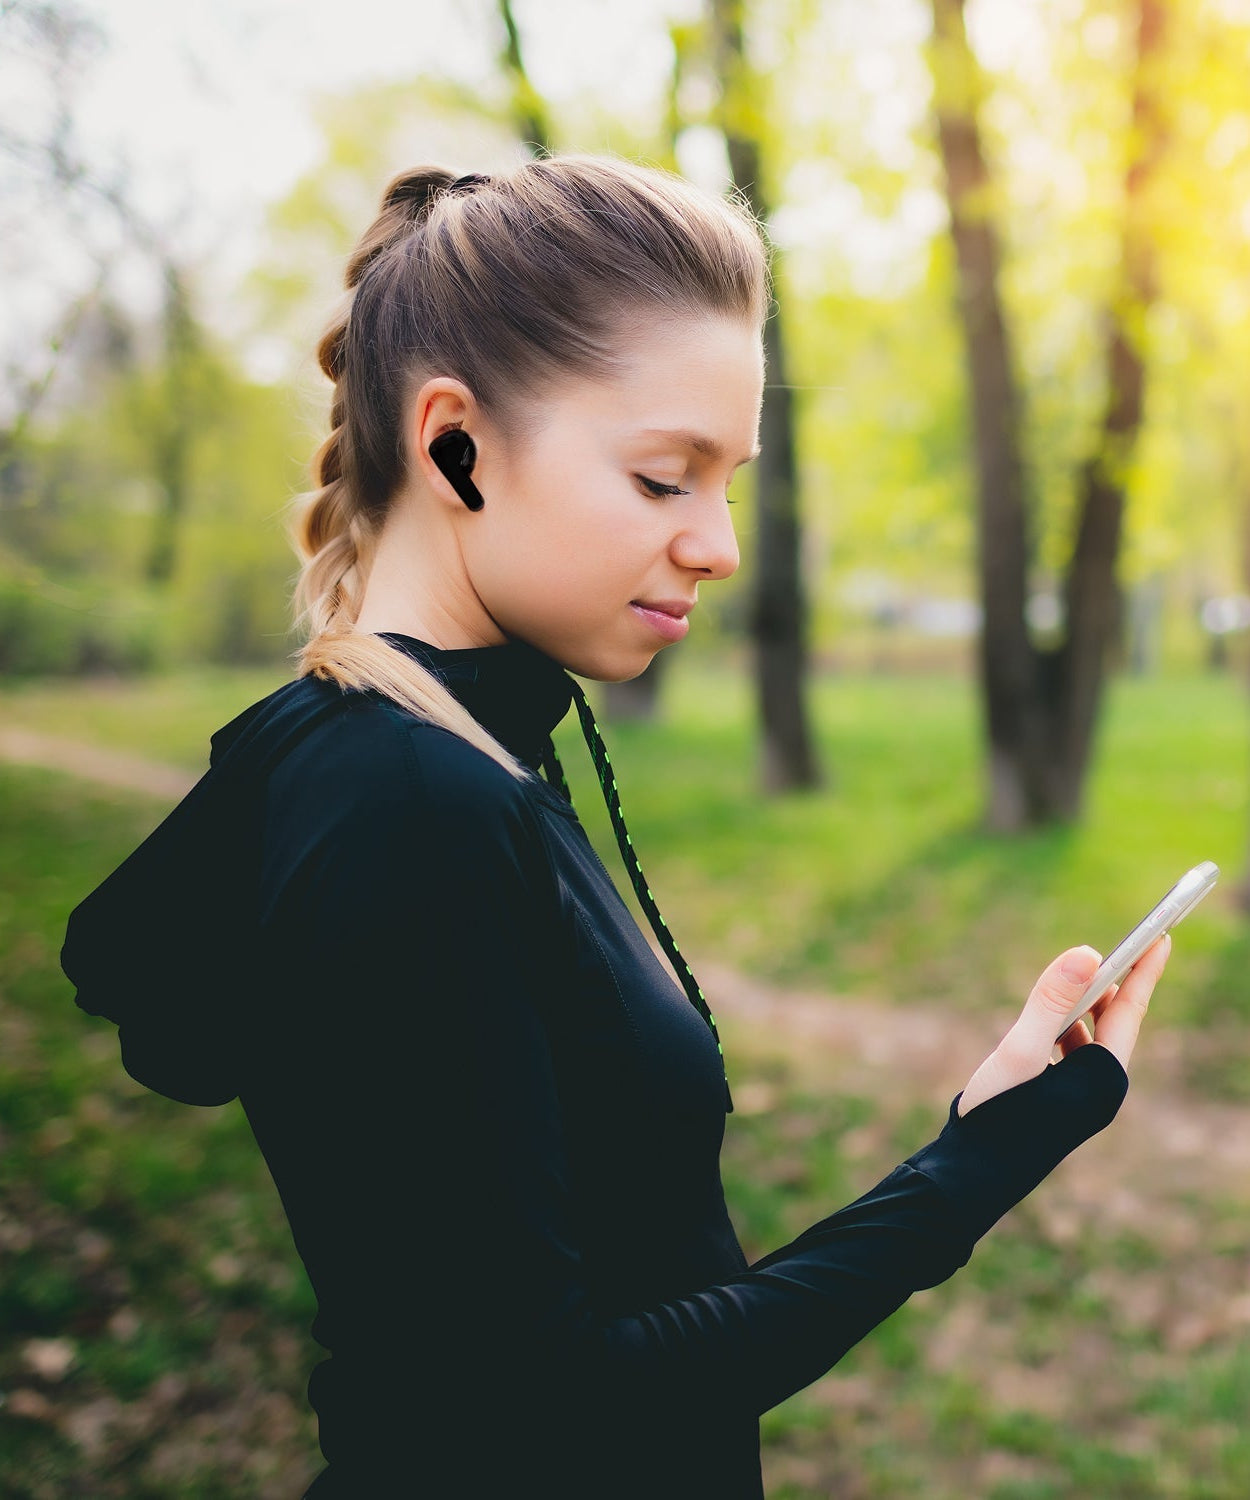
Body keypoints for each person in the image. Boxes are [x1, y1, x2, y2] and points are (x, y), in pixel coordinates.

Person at [59, 153, 1172, 1498]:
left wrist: (984, 1131)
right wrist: (967, 1172)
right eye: (661, 480)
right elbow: (545, 1409)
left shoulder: (450, 754)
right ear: (454, 444)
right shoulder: (408, 803)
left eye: (728, 482)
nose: (719, 545)